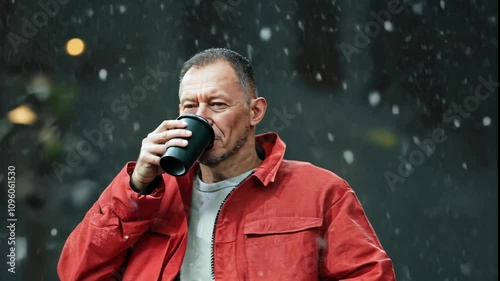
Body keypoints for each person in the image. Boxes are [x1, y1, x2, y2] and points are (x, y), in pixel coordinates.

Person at [57, 48, 396, 280]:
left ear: (255, 112)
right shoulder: (151, 198)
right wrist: (135, 188)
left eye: (217, 104)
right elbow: (76, 273)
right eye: (190, 107)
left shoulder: (320, 192)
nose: (201, 118)